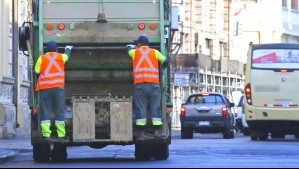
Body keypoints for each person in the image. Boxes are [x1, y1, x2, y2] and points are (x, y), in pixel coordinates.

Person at [126, 35, 168, 139]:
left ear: (139, 44)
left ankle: (140, 133)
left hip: (140, 86)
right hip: (154, 85)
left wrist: (130, 46)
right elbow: (165, 60)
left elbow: (128, 49)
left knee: (141, 108)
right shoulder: (154, 52)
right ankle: (157, 131)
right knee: (155, 108)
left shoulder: (135, 52)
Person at [35, 41, 73, 141]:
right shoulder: (61, 57)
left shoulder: (42, 58)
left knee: (45, 111)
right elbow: (67, 56)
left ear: (46, 49)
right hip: (58, 89)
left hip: (45, 89)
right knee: (59, 111)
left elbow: (36, 71)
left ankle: (46, 134)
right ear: (56, 49)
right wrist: (68, 48)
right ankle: (61, 134)